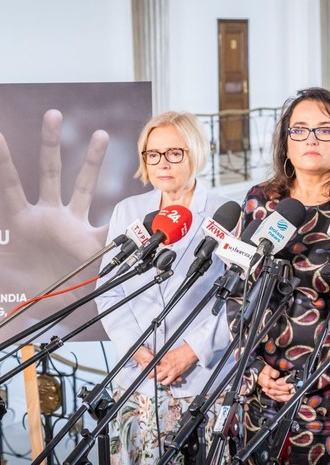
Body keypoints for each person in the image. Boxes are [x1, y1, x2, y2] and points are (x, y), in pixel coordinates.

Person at [229, 87, 330, 464]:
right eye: (299, 129)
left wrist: (311, 378)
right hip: (265, 390)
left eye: (324, 130)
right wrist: (255, 368)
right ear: (286, 143)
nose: (311, 139)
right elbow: (237, 288)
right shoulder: (261, 202)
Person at [94, 111, 235, 465]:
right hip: (137, 378)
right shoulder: (128, 212)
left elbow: (241, 297)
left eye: (174, 152)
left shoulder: (227, 213)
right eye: (153, 154)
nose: (163, 163)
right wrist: (137, 350)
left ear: (195, 152)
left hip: (204, 378)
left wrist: (192, 350)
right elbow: (109, 289)